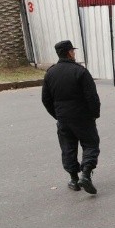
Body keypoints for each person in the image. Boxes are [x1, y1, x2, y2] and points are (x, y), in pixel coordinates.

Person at [41, 40, 101, 195]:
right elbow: (92, 96)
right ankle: (86, 174)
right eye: (73, 51)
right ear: (69, 52)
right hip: (82, 117)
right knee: (90, 144)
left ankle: (74, 179)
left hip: (63, 119)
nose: (74, 53)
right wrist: (94, 114)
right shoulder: (80, 71)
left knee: (68, 148)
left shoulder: (50, 73)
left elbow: (46, 99)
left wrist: (58, 114)